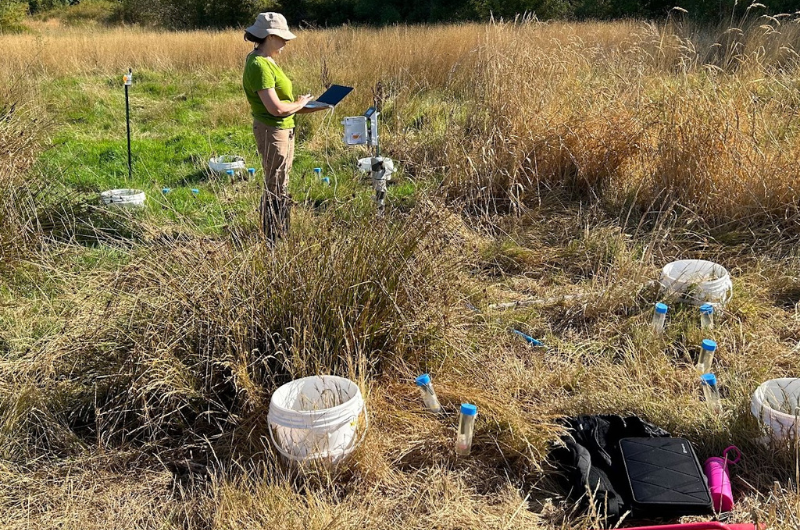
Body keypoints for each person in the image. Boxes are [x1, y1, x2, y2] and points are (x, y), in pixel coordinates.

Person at [242, 12, 326, 243]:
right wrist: (300, 103)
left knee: (280, 182)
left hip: (282, 129)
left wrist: (316, 106)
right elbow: (276, 109)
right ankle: (274, 238)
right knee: (276, 184)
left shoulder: (268, 61)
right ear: (269, 36)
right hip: (272, 130)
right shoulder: (259, 65)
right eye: (283, 38)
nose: (286, 42)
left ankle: (280, 233)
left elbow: (283, 106)